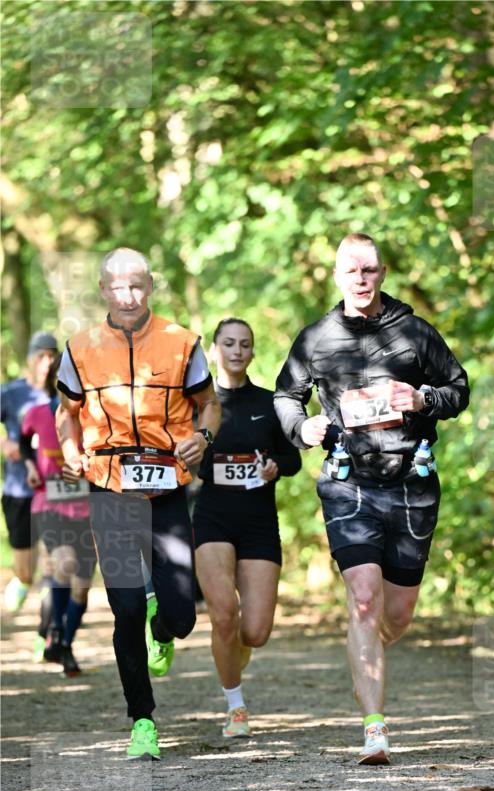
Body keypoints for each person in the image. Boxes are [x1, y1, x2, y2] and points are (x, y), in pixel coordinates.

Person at [274, 233, 470, 765]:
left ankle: (365, 662)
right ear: (336, 276)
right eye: (350, 272)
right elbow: (286, 395)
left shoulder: (414, 332)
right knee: (363, 599)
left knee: (397, 615)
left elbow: (458, 388)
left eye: (369, 271)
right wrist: (302, 426)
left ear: (381, 274)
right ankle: (375, 728)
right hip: (348, 483)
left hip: (411, 483)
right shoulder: (316, 338)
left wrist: (424, 396)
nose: (360, 280)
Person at [55, 247, 221, 761]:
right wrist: (69, 452)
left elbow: (209, 405)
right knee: (123, 608)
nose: (129, 296)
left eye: (138, 286)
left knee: (183, 616)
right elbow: (66, 413)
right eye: (118, 287)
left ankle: (163, 624)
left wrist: (203, 437)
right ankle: (142, 721)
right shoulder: (79, 348)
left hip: (167, 486)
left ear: (151, 286)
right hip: (109, 488)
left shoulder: (181, 342)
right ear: (103, 290)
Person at [193, 318, 301, 738]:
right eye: (229, 344)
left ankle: (233, 651)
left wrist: (276, 466)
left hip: (258, 520)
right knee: (223, 614)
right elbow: (185, 457)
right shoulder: (199, 404)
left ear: (253, 352)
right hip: (213, 516)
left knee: (254, 632)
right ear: (215, 350)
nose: (237, 351)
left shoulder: (269, 402)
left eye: (245, 344)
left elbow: (292, 459)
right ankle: (235, 706)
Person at [20, 354, 96, 676]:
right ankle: (53, 632)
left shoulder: (97, 417)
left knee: (82, 586)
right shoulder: (38, 413)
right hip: (49, 503)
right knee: (63, 564)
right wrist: (27, 465)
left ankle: (64, 642)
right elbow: (23, 440)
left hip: (88, 507)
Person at [1, 332, 57, 628]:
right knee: (27, 570)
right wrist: (5, 444)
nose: (46, 362)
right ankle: (21, 583)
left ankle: (49, 630)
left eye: (52, 356)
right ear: (29, 358)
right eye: (41, 356)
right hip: (19, 490)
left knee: (55, 565)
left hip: (57, 492)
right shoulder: (10, 393)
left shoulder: (63, 396)